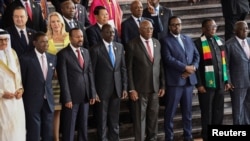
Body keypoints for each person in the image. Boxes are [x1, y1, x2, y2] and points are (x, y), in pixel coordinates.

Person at [160, 16, 200, 141]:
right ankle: (169, 137)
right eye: (173, 24)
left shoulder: (187, 38)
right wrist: (185, 68)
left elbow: (196, 55)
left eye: (178, 24)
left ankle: (188, 136)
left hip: (188, 82)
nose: (176, 26)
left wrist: (192, 68)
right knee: (170, 112)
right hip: (175, 82)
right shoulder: (165, 40)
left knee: (187, 112)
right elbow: (168, 59)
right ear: (169, 26)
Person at [125, 20, 165, 141]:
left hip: (155, 88)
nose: (149, 31)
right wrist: (131, 89)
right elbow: (129, 69)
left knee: (153, 118)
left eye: (151, 29)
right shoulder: (132, 44)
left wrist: (162, 85)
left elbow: (160, 65)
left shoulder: (157, 43)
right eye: (146, 28)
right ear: (140, 30)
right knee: (140, 120)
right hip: (139, 89)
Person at [194, 18, 232, 141]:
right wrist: (199, 84)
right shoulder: (198, 43)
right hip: (206, 85)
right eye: (210, 26)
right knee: (207, 111)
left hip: (220, 83)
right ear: (203, 29)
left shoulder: (220, 41)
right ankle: (206, 136)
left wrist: (227, 80)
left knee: (218, 110)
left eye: (215, 26)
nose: (213, 28)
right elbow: (197, 67)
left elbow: (225, 63)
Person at [56, 28, 96, 141]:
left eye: (82, 36)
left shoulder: (86, 52)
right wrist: (67, 98)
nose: (80, 39)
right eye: (77, 37)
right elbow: (63, 78)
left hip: (85, 96)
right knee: (69, 127)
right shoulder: (63, 54)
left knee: (83, 126)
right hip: (71, 99)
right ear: (70, 38)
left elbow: (89, 73)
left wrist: (92, 93)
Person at [89, 23, 127, 141]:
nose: (111, 34)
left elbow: (123, 68)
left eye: (113, 32)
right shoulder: (95, 49)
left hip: (117, 89)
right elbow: (91, 73)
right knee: (102, 120)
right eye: (108, 32)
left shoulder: (119, 47)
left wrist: (125, 87)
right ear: (101, 34)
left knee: (114, 119)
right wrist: (94, 91)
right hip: (101, 91)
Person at [19, 31, 56, 141]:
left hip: (48, 100)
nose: (45, 44)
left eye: (47, 42)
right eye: (42, 42)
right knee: (34, 130)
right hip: (32, 100)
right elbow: (23, 81)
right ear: (34, 43)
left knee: (48, 130)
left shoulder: (53, 58)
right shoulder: (25, 59)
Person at [46, 11, 70, 141]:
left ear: (62, 22)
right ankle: (55, 139)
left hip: (68, 79)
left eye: (57, 21)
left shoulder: (68, 37)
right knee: (56, 111)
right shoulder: (46, 38)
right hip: (53, 80)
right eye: (52, 22)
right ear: (49, 24)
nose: (55, 24)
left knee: (68, 111)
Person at [0, 29, 25, 141]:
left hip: (16, 98)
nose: (4, 43)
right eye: (0, 40)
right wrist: (2, 93)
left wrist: (20, 89)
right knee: (4, 130)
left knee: (17, 129)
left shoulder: (13, 53)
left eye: (6, 39)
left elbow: (18, 74)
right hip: (2, 100)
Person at [225, 21, 250, 125]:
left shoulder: (249, 41)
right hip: (238, 82)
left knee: (248, 107)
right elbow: (225, 65)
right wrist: (228, 81)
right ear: (235, 31)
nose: (245, 31)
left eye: (246, 28)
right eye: (241, 29)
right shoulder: (229, 44)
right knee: (238, 109)